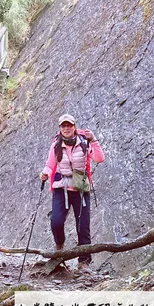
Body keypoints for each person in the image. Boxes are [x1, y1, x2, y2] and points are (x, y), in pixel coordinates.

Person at [40, 114, 105, 266]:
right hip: (61, 188)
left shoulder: (84, 142)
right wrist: (44, 173)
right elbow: (50, 165)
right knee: (56, 221)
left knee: (83, 227)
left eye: (69, 125)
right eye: (63, 126)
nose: (66, 128)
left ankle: (84, 262)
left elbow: (100, 158)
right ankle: (59, 246)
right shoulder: (56, 145)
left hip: (80, 188)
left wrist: (94, 140)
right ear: (60, 128)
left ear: (75, 127)